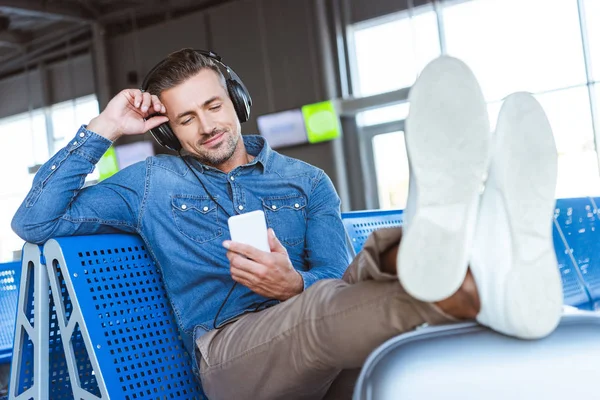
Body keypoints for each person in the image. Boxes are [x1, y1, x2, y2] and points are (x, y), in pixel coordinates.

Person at [11, 49, 563, 400]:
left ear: (237, 102)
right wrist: (106, 126)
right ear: (167, 132)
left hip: (317, 326)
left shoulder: (306, 181)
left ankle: (440, 253)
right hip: (230, 355)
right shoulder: (151, 183)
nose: (206, 126)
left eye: (214, 106)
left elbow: (332, 274)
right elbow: (34, 220)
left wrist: (293, 283)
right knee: (320, 312)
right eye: (186, 119)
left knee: (396, 353)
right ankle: (474, 284)